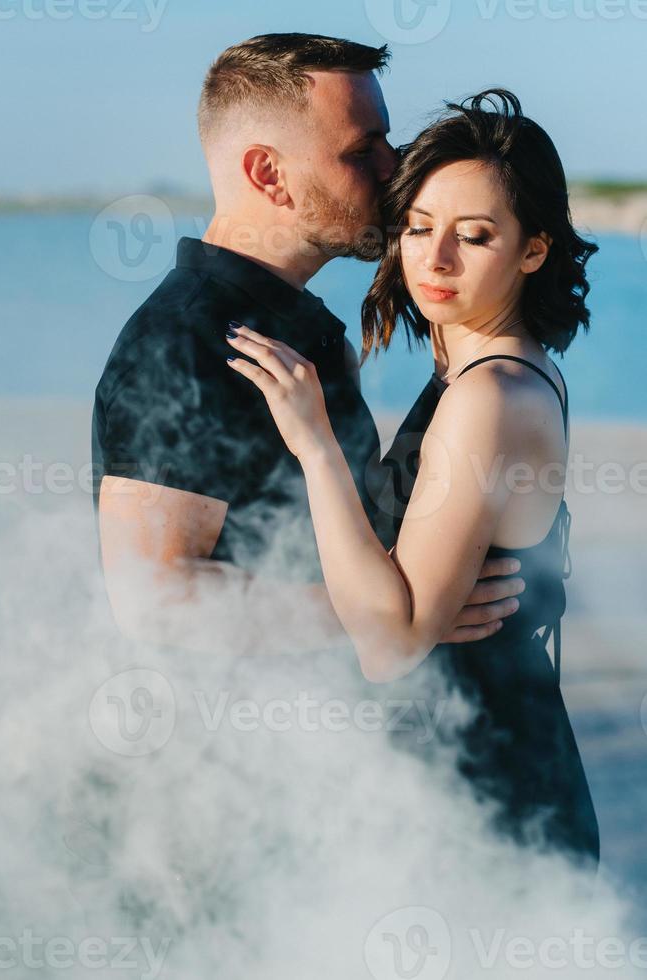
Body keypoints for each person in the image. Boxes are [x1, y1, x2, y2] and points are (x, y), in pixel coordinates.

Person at [225, 89, 600, 865]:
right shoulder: (504, 365)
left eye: (475, 236)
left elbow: (391, 646)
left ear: (533, 250)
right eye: (418, 228)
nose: (434, 260)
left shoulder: (489, 397)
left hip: (485, 808)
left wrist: (315, 443)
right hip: (486, 777)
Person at [92, 36, 525, 657]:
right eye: (360, 151)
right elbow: (152, 599)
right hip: (239, 742)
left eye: (386, 140)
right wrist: (389, 615)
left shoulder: (297, 325)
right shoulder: (182, 342)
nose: (391, 167)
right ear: (268, 174)